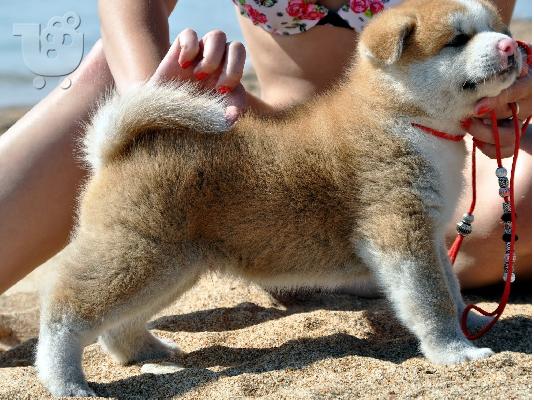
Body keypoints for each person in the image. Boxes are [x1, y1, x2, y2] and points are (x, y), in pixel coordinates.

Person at [0, 0, 530, 294]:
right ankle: (325, 265)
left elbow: (490, 46)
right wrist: (158, 97)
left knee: (516, 206)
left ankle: (333, 269)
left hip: (418, 158)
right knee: (111, 79)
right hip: (261, 164)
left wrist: (521, 88)